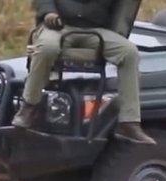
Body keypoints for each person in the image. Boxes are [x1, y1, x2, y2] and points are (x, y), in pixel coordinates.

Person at [16, 0, 156, 145]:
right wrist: (48, 12)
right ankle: (29, 106)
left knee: (129, 53)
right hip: (59, 26)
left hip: (96, 29)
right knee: (46, 48)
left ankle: (128, 122)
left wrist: (118, 29)